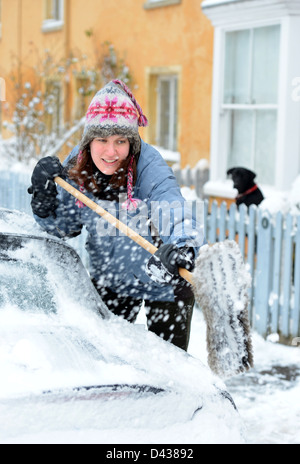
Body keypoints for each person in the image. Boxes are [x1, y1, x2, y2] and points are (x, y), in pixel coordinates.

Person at [28, 79, 204, 351]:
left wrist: (182, 247)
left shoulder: (149, 166)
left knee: (168, 369)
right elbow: (63, 226)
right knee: (104, 358)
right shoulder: (78, 166)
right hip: (113, 277)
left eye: (120, 141)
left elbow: (173, 208)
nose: (111, 152)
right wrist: (44, 200)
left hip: (164, 276)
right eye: (102, 140)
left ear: (132, 143)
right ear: (89, 141)